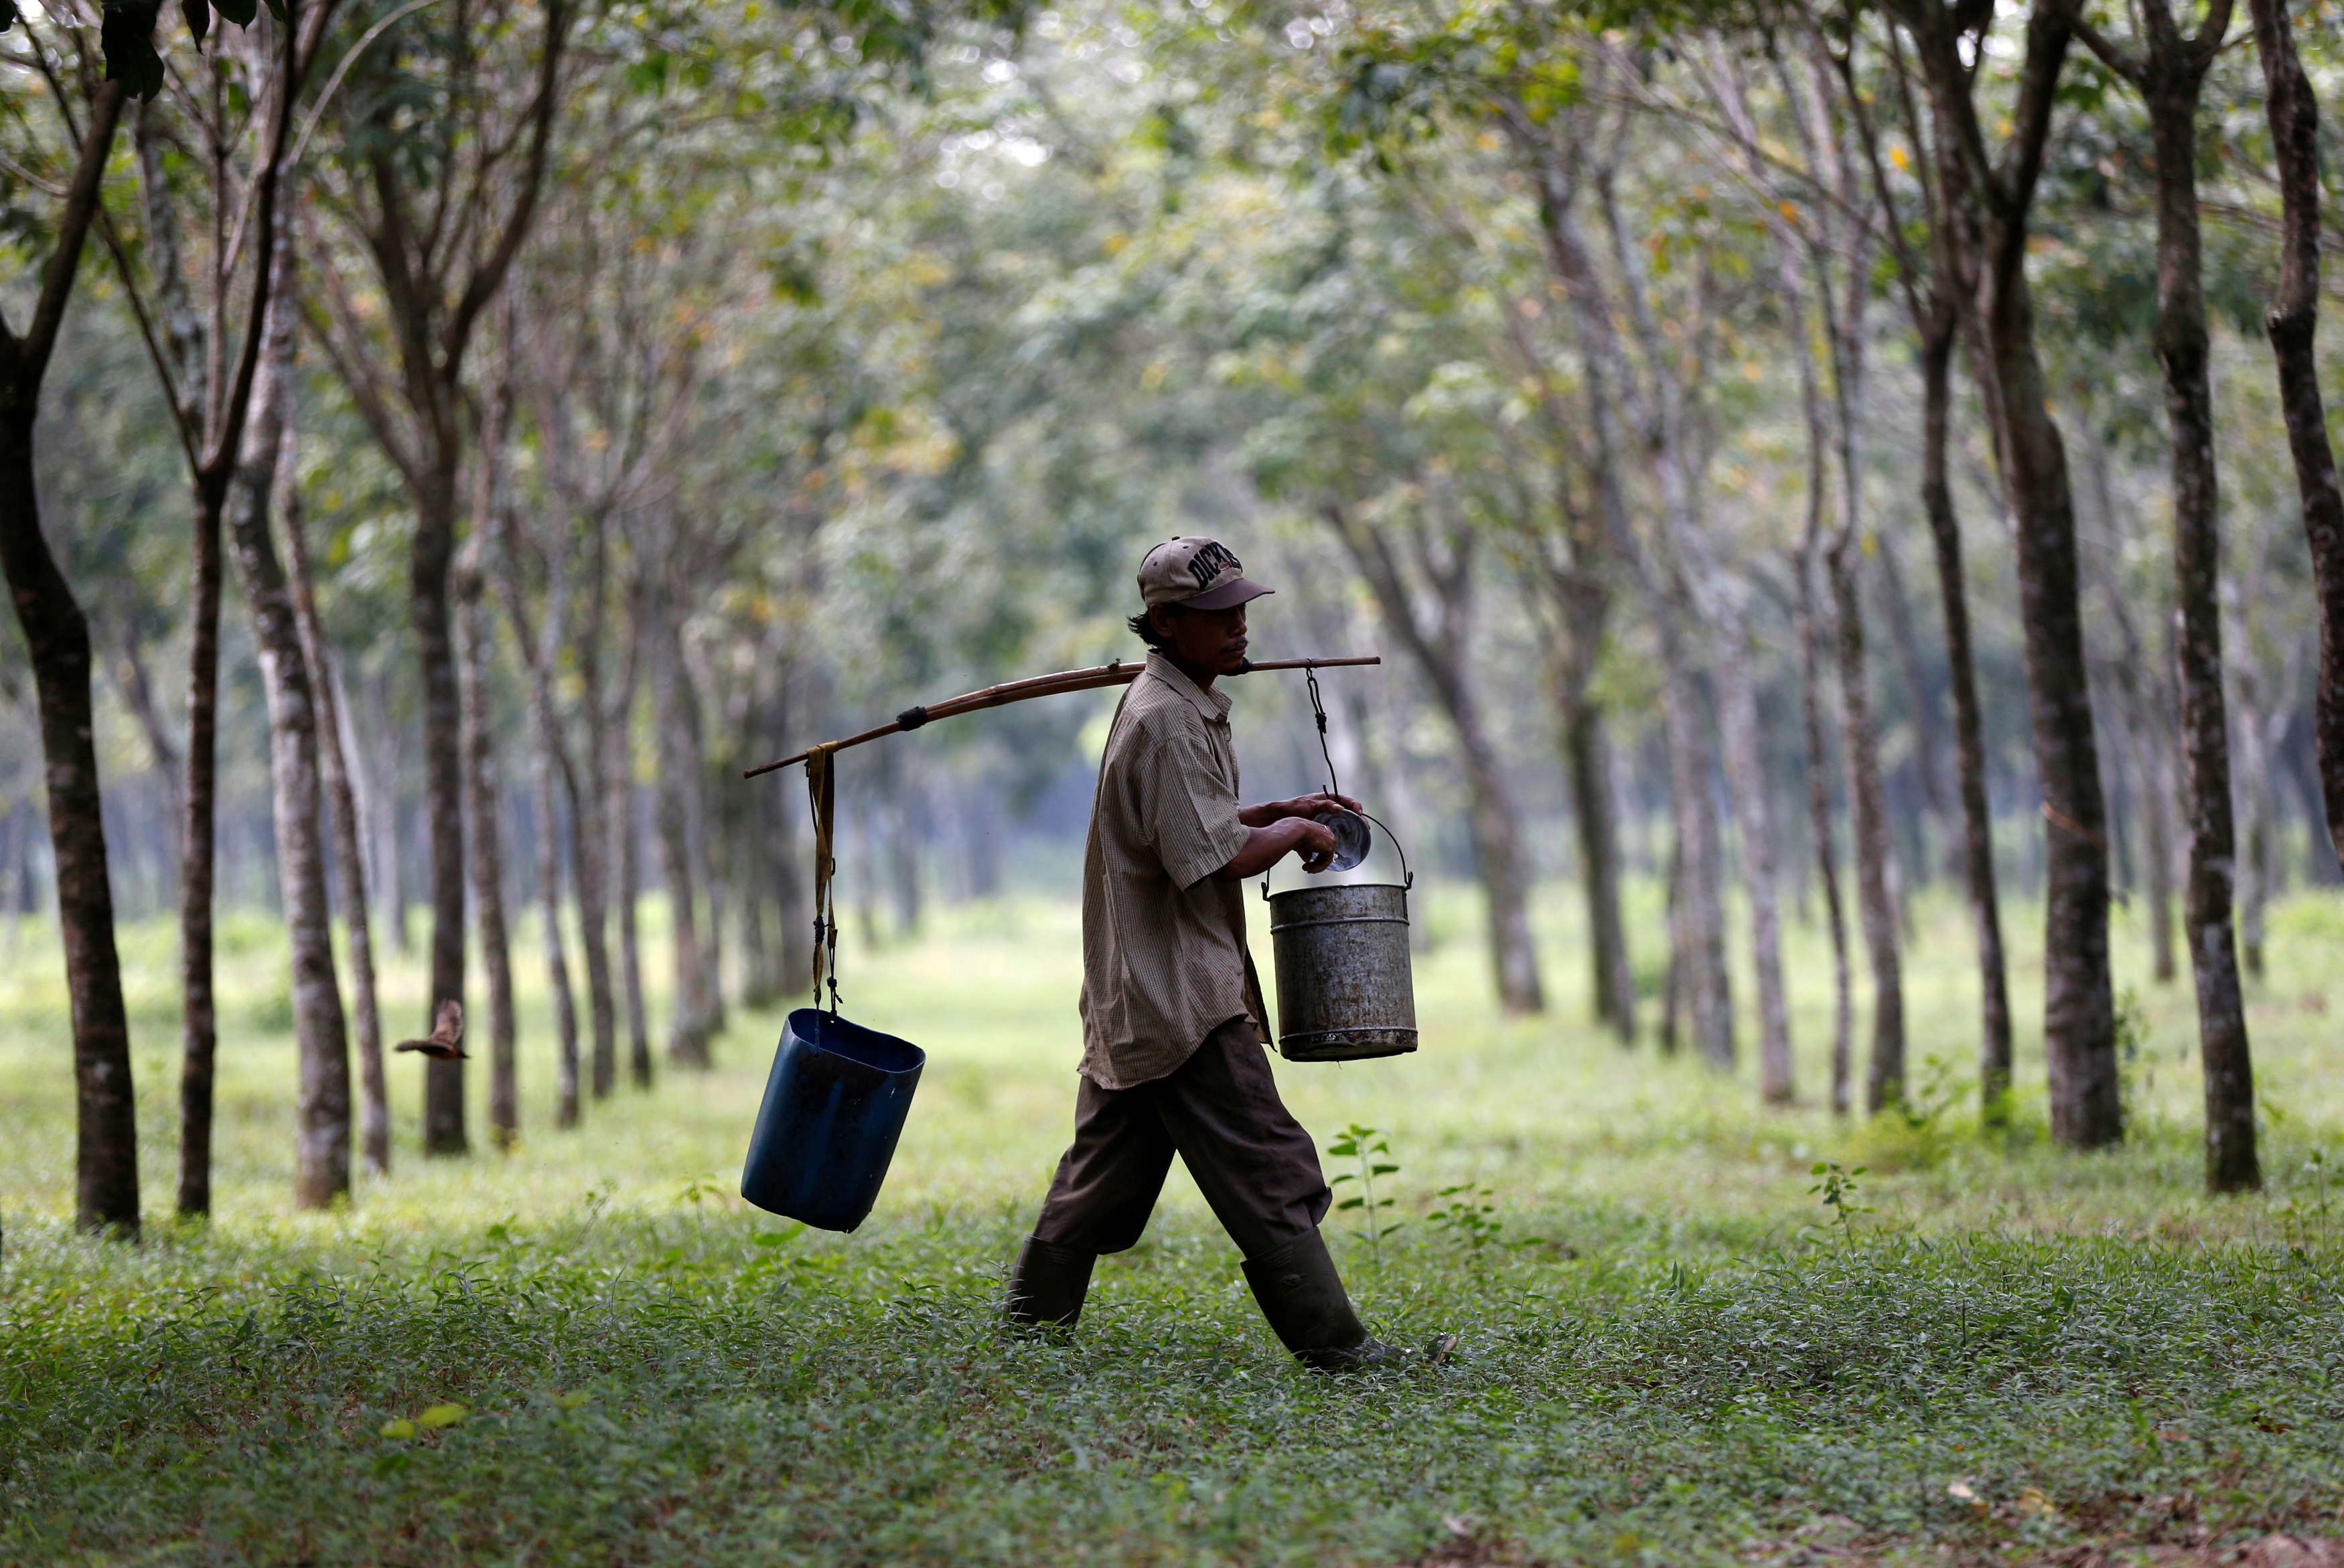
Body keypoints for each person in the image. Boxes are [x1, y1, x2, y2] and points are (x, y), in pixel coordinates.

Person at [1003, 536, 1403, 1371]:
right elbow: (1208, 858)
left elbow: (1189, 823)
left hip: (1138, 986)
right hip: (1182, 993)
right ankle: (1338, 1347)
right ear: (1165, 621)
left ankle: (1025, 1333)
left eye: (1242, 612)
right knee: (1265, 1158)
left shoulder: (1178, 706)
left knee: (1099, 1177)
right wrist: (1292, 832)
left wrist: (1281, 807)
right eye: (1218, 616)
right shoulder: (1165, 718)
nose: (1238, 629)